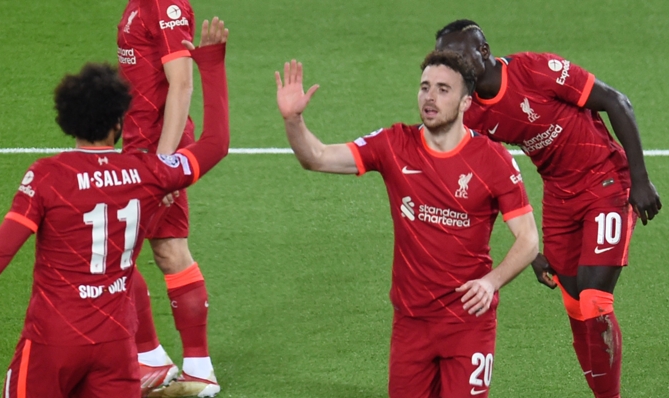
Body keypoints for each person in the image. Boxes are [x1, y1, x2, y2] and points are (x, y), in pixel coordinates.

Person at [0, 23, 227, 398]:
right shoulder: (145, 172)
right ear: (119, 121)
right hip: (116, 349)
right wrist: (213, 65)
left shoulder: (47, 177)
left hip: (52, 343)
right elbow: (216, 145)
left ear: (67, 120)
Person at [275, 51, 538, 397]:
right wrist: (294, 120)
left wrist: (491, 283)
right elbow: (317, 157)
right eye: (425, 87)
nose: (430, 97)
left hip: (468, 323)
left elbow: (529, 240)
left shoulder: (493, 160)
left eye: (443, 89)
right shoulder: (394, 144)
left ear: (464, 103)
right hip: (411, 323)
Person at [435, 19, 662, 398]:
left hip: (605, 180)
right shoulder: (470, 114)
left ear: (483, 52)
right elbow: (489, 184)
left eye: (460, 56)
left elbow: (615, 101)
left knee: (594, 301)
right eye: (446, 59)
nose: (453, 65)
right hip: (559, 198)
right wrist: (531, 250)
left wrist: (639, 178)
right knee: (575, 308)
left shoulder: (535, 70)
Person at [117, 0, 227, 394]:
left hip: (157, 149)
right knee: (145, 248)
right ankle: (152, 359)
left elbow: (182, 84)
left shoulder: (167, 5)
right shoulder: (137, 5)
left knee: (149, 249)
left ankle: (192, 367)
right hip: (138, 147)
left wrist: (164, 163)